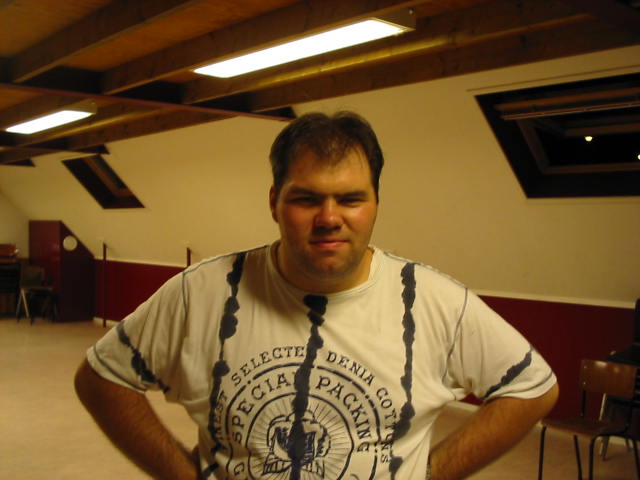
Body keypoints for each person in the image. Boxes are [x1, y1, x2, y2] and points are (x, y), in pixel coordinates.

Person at [75, 111, 559, 480]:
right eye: (307, 199)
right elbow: (102, 378)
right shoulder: (200, 293)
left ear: (375, 204)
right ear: (274, 202)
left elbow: (532, 387)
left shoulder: (434, 302)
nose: (329, 218)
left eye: (350, 199)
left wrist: (432, 473)